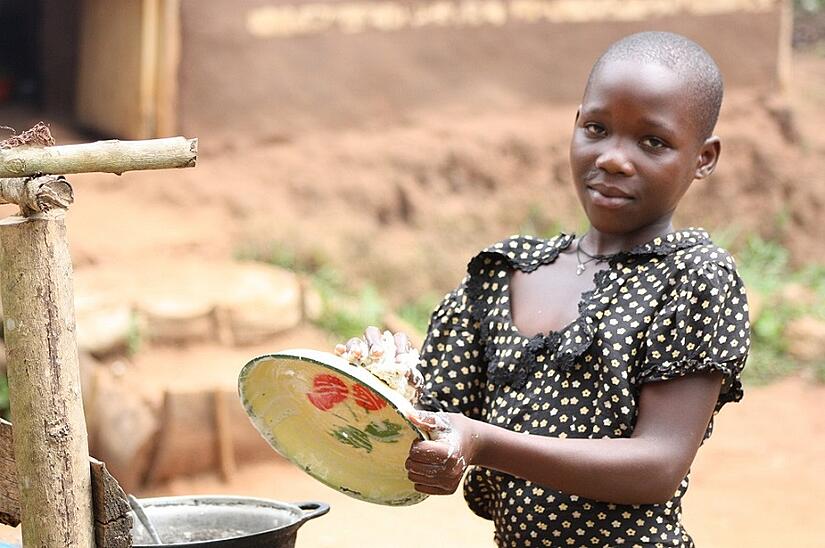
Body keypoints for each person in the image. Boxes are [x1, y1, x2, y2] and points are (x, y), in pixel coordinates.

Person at [403, 31, 750, 547]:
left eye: (652, 141)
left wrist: (481, 443)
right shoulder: (505, 275)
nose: (612, 158)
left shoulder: (693, 280)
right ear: (575, 125)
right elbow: (427, 417)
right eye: (597, 128)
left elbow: (658, 465)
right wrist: (378, 377)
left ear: (704, 158)